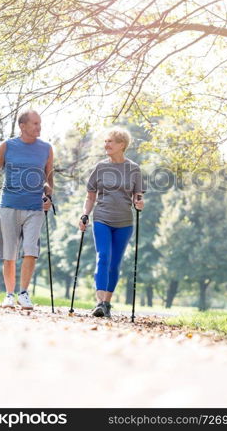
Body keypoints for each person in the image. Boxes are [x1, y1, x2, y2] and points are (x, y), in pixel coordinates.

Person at [0, 110, 54, 310]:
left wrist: (48, 195)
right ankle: (9, 294)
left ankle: (23, 293)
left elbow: (48, 178)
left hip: (35, 207)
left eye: (40, 123)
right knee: (9, 253)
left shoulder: (47, 148)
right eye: (35, 123)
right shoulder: (7, 146)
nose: (39, 127)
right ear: (23, 126)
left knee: (31, 251)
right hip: (9, 205)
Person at [79, 128, 144, 318]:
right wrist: (84, 215)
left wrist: (139, 203)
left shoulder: (134, 169)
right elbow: (90, 196)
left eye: (111, 142)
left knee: (115, 263)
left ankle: (107, 303)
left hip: (124, 221)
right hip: (102, 218)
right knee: (103, 256)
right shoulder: (100, 167)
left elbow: (138, 197)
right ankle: (99, 302)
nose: (106, 145)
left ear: (122, 145)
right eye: (106, 141)